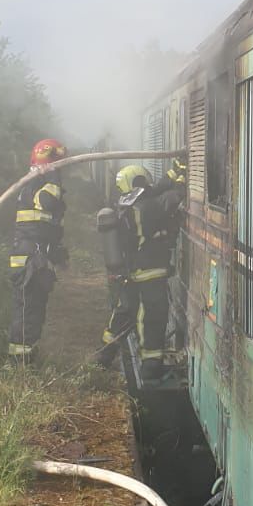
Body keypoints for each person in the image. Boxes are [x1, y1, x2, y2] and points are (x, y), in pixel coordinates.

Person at [101, 160, 185, 381]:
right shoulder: (147, 208)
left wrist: (171, 173)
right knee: (153, 318)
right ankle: (151, 367)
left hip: (133, 272)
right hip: (150, 273)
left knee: (125, 314)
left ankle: (103, 357)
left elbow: (154, 191)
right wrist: (182, 179)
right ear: (138, 182)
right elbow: (173, 197)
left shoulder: (129, 206)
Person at [6, 139, 68, 360]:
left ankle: (27, 354)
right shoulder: (36, 184)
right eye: (58, 164)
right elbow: (48, 203)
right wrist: (52, 177)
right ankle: (20, 363)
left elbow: (48, 223)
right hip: (29, 259)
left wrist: (57, 250)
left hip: (34, 256)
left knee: (35, 309)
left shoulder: (39, 182)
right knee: (28, 311)